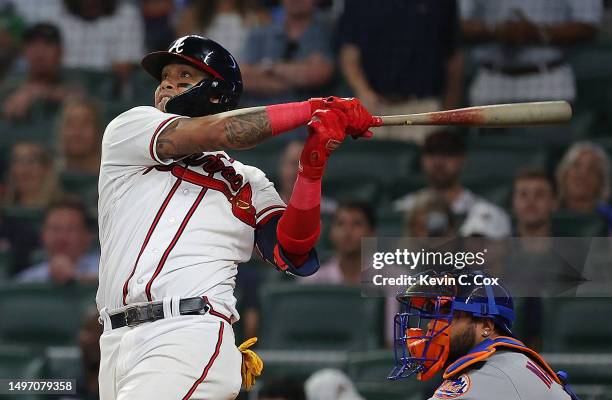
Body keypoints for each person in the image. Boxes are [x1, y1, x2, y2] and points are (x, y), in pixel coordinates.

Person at [96, 34, 373, 400]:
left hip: (187, 333)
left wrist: (312, 169)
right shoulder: (130, 129)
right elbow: (220, 130)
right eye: (164, 76)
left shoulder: (249, 182)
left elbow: (293, 251)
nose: (167, 84)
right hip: (114, 338)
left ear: (216, 94)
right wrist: (315, 108)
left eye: (183, 77)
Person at [389, 269, 580, 399]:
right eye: (433, 317)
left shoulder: (490, 373)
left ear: (486, 325)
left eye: (447, 314)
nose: (432, 326)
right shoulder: (510, 361)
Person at [338, 0, 463, 143]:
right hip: (373, 106)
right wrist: (363, 90)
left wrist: (448, 115)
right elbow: (348, 53)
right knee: (368, 163)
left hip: (421, 108)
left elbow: (453, 59)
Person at [460, 0, 602, 105]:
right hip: (492, 80)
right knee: (487, 145)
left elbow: (588, 25)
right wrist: (495, 30)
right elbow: (457, 22)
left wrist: (540, 33)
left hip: (549, 79)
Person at [393, 130, 511, 237]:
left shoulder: (490, 215)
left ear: (463, 159)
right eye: (431, 153)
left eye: (447, 153)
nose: (438, 162)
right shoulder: (403, 209)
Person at [240, 0, 334, 108]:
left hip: (309, 119)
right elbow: (244, 77)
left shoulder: (328, 31)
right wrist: (299, 73)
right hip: (261, 118)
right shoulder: (260, 33)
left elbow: (317, 74)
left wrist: (269, 68)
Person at [2, 22, 75, 121]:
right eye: (32, 45)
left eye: (47, 44)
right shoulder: (9, 83)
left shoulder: (75, 78)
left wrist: (38, 92)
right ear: (24, 51)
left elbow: (84, 100)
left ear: (60, 51)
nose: (39, 53)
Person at [16, 197, 99, 283]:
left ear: (87, 236)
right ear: (43, 235)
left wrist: (75, 277)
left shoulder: (105, 268)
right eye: (55, 229)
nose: (61, 237)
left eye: (71, 229)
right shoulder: (26, 281)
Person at [301, 201, 375, 285]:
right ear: (331, 233)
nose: (348, 232)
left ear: (371, 233)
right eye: (340, 224)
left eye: (356, 224)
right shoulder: (315, 279)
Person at [278, 140, 336, 214]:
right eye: (292, 164)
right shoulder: (265, 211)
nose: (297, 172)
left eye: (304, 165)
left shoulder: (331, 211)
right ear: (281, 168)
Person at [3, 142, 62, 209]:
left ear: (47, 168)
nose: (23, 171)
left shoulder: (63, 208)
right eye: (17, 161)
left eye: (31, 161)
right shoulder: (4, 203)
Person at [57, 98, 102, 175]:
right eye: (70, 124)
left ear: (98, 130)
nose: (77, 132)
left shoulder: (113, 177)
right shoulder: (48, 175)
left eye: (85, 124)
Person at [513, 169, 557, 238]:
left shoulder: (572, 247)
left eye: (539, 194)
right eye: (523, 194)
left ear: (553, 203)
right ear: (514, 202)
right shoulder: (496, 247)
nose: (531, 200)